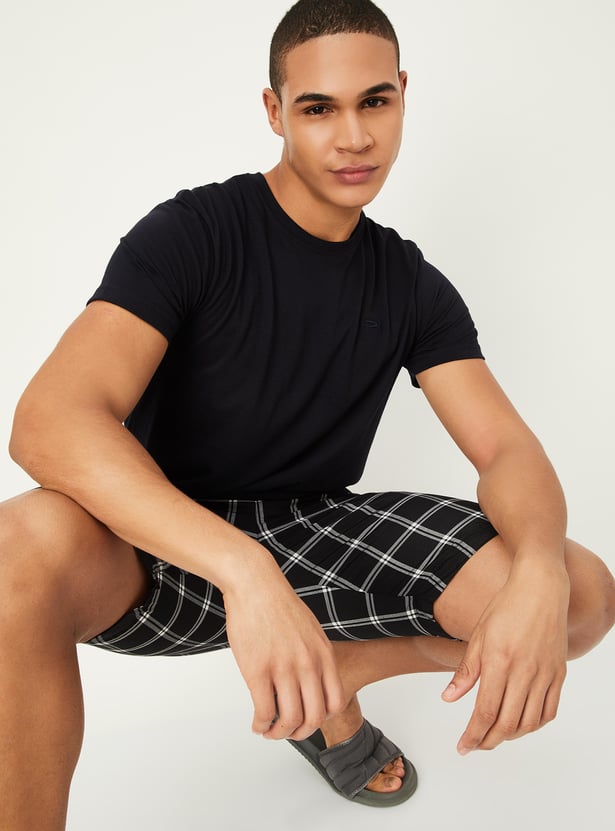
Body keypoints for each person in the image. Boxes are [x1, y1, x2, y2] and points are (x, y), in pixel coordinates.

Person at [2, 0, 614, 825]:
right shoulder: (194, 232)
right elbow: (49, 420)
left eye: (374, 102)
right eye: (319, 108)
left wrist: (537, 565)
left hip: (313, 532)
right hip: (157, 543)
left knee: (580, 592)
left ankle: (339, 675)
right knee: (16, 549)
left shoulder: (411, 285)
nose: (353, 137)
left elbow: (504, 447)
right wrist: (244, 570)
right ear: (274, 111)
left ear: (402, 95)